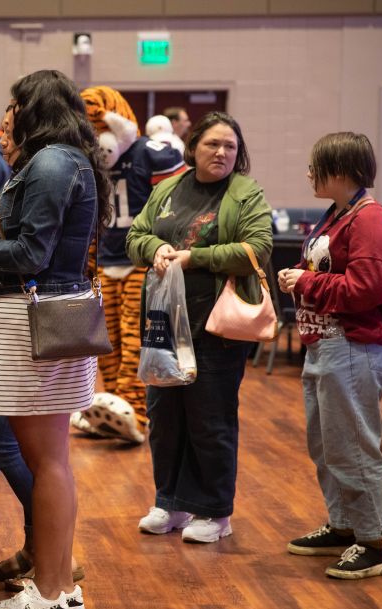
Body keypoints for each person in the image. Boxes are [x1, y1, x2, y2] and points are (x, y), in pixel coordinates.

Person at [0, 69, 111, 609]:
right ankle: (59, 587)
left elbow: (32, 254)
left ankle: (50, 591)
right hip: (28, 321)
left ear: (34, 106)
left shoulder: (53, 161)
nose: (8, 114)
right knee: (51, 460)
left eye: (14, 104)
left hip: (30, 322)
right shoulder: (57, 160)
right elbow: (30, 240)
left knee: (49, 462)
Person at [126, 111, 273, 543]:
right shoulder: (168, 188)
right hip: (165, 326)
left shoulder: (246, 193)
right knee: (164, 417)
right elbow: (134, 236)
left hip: (217, 328)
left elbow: (257, 249)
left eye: (230, 146)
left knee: (210, 420)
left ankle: (215, 512)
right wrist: (155, 247)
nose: (222, 152)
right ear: (193, 148)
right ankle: (170, 502)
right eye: (213, 144)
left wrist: (194, 258)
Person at [279, 132, 382, 579]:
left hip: (355, 343)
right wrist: (302, 277)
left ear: (343, 170)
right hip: (327, 343)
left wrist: (304, 283)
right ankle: (344, 526)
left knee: (352, 445)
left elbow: (370, 288)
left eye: (317, 166)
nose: (309, 174)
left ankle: (372, 542)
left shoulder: (370, 220)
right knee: (327, 445)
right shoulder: (339, 215)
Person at [76, 87, 187, 444]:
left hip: (143, 261)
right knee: (106, 343)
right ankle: (112, 408)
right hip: (107, 261)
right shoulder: (86, 163)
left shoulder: (148, 153)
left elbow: (178, 201)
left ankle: (137, 412)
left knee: (136, 340)